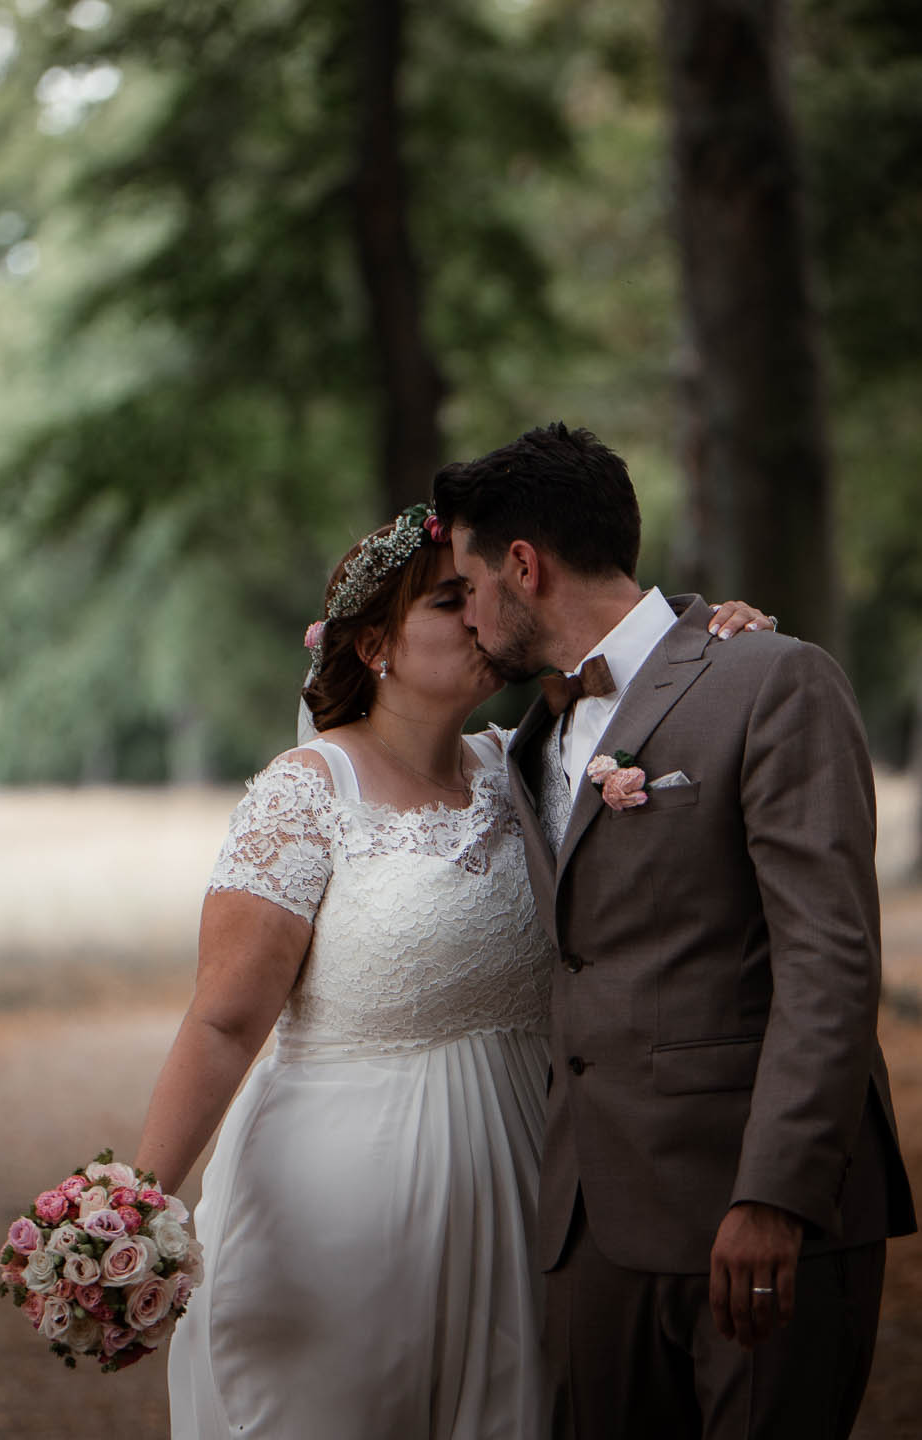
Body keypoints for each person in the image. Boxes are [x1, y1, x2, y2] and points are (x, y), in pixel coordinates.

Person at [135, 500, 774, 1439]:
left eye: (477, 595)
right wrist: (133, 1207)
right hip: (345, 1204)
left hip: (527, 1183)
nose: (480, 618)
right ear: (372, 647)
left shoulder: (529, 763)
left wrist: (728, 646)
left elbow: (666, 713)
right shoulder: (305, 795)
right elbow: (224, 1020)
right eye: (449, 602)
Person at [432, 422, 917, 1440]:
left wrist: (775, 1193)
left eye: (470, 584)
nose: (468, 617)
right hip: (589, 1227)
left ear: (525, 566)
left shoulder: (772, 678)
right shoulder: (526, 736)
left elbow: (827, 960)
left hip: (755, 1213)